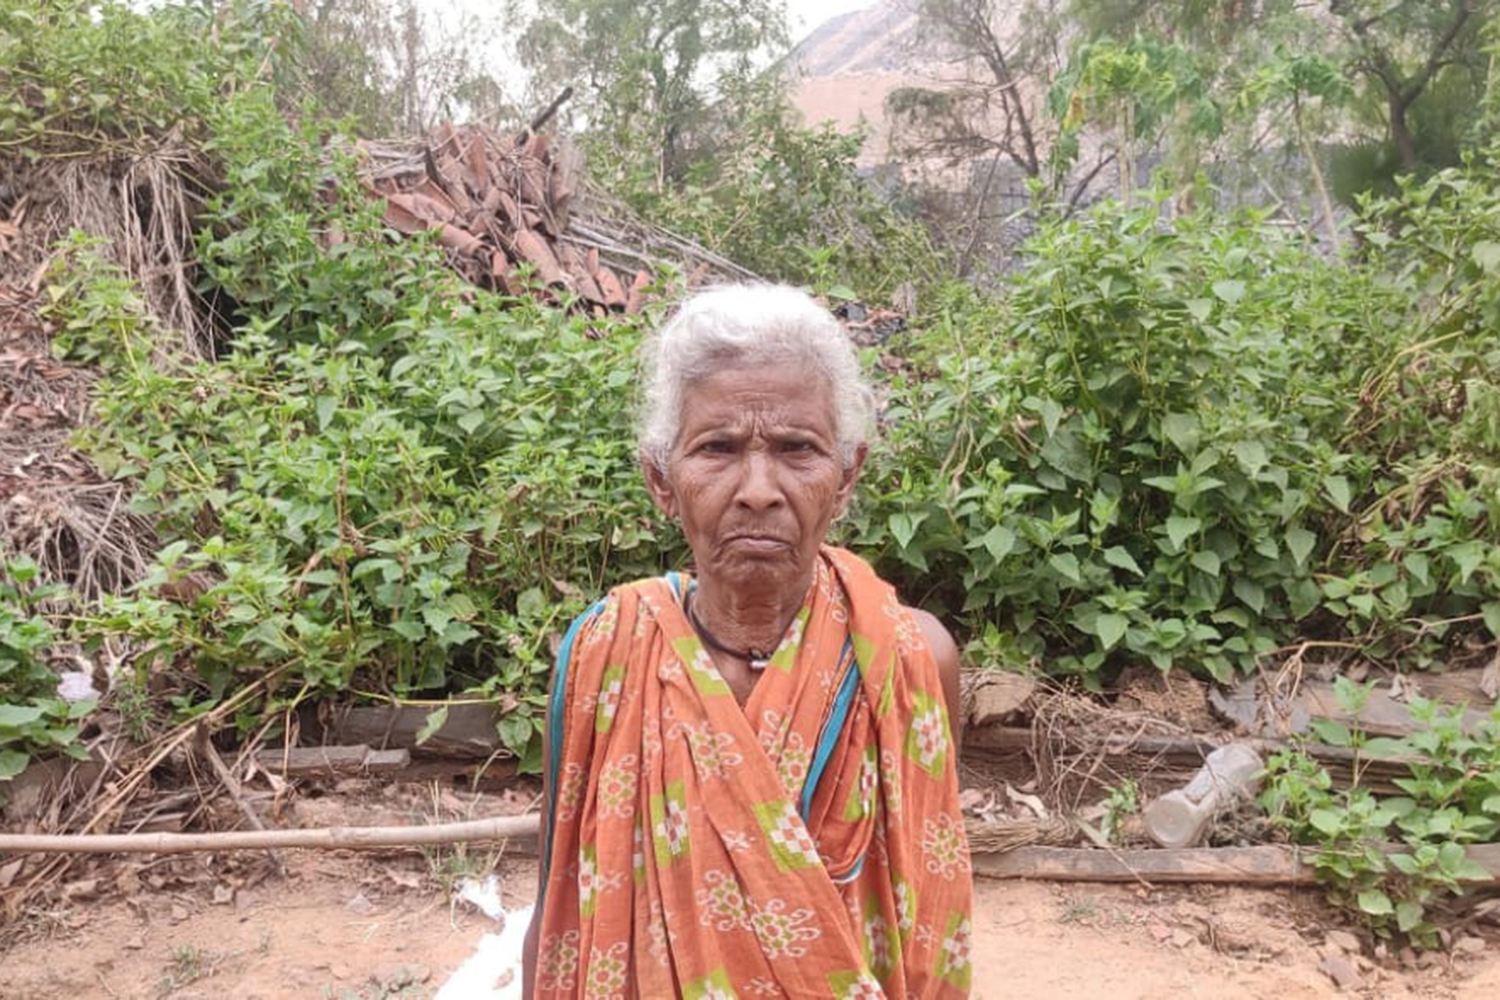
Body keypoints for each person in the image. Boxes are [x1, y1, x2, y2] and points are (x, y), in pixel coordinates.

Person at [524, 284, 973, 998]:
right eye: (718, 448)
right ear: (661, 480)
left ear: (846, 476)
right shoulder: (606, 655)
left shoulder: (909, 661)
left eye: (797, 449)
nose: (758, 488)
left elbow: (930, 908)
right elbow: (559, 908)